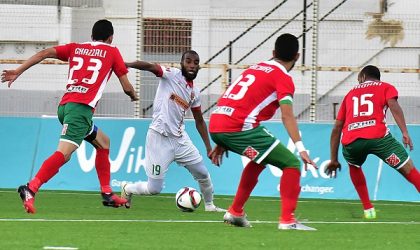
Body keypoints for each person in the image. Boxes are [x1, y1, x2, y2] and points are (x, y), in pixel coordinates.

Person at [1, 19, 139, 214]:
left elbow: (44, 53)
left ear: (91, 37)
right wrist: (133, 95)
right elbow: (126, 87)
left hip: (65, 106)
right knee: (63, 154)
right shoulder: (112, 51)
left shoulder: (77, 48)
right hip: (80, 110)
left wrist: (17, 71)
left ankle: (107, 193)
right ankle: (30, 188)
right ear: (110, 38)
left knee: (103, 142)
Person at [208, 33, 317, 230]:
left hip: (217, 122)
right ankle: (287, 220)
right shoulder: (283, 77)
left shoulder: (255, 68)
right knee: (291, 163)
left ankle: (235, 212)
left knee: (261, 159)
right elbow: (287, 115)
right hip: (238, 127)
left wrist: (222, 138)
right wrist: (301, 149)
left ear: (273, 53)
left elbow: (232, 98)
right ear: (298, 57)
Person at [120, 50, 225, 212]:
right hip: (158, 138)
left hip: (180, 140)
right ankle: (128, 188)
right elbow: (149, 66)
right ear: (181, 63)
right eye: (188, 61)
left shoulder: (194, 93)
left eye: (195, 63)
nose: (192, 65)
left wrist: (209, 148)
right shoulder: (171, 74)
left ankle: (210, 205)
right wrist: (127, 64)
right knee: (154, 189)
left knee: (203, 173)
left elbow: (199, 121)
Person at [325, 65, 420, 219]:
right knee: (409, 169)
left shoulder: (350, 94)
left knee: (354, 166)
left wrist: (334, 159)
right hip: (379, 139)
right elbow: (394, 105)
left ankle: (368, 209)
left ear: (362, 77)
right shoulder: (385, 87)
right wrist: (404, 131)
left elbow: (337, 128)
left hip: (351, 142)